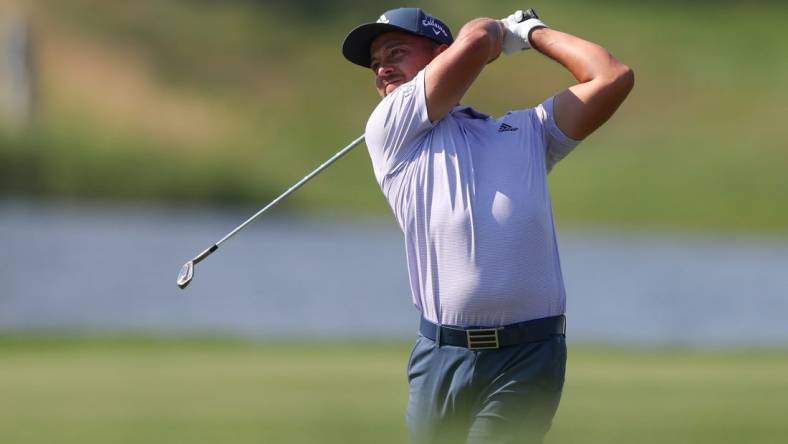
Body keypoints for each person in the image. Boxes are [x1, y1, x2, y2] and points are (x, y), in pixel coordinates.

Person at [342, 7, 633, 444]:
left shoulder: (528, 130)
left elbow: (612, 76)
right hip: (442, 354)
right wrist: (498, 33)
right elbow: (478, 39)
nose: (382, 68)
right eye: (375, 63)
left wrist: (533, 32)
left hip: (530, 355)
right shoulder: (390, 125)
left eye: (396, 52)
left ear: (440, 55)